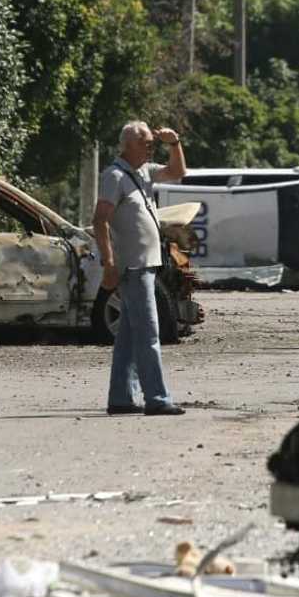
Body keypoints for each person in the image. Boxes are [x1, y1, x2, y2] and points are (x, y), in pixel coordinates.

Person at [93, 120, 187, 416]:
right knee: (148, 334)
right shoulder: (115, 176)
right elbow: (100, 220)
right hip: (132, 267)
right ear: (128, 144)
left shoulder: (143, 172)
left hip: (146, 265)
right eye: (146, 142)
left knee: (129, 337)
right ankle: (157, 398)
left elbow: (177, 172)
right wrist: (109, 262)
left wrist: (175, 144)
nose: (151, 147)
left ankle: (120, 398)